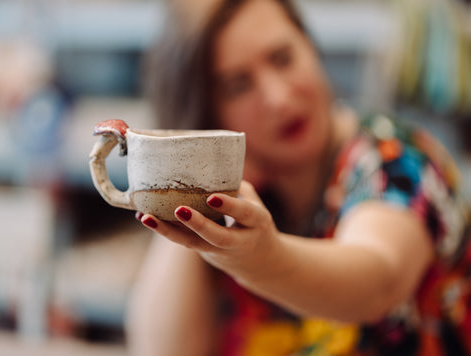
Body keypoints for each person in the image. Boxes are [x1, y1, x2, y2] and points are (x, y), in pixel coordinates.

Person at [125, 0, 471, 355]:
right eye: (239, 84)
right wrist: (185, 180)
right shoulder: (242, 188)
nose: (278, 98)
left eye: (282, 58)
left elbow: (378, 282)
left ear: (310, 47)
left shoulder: (395, 159)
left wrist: (264, 259)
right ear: (205, 109)